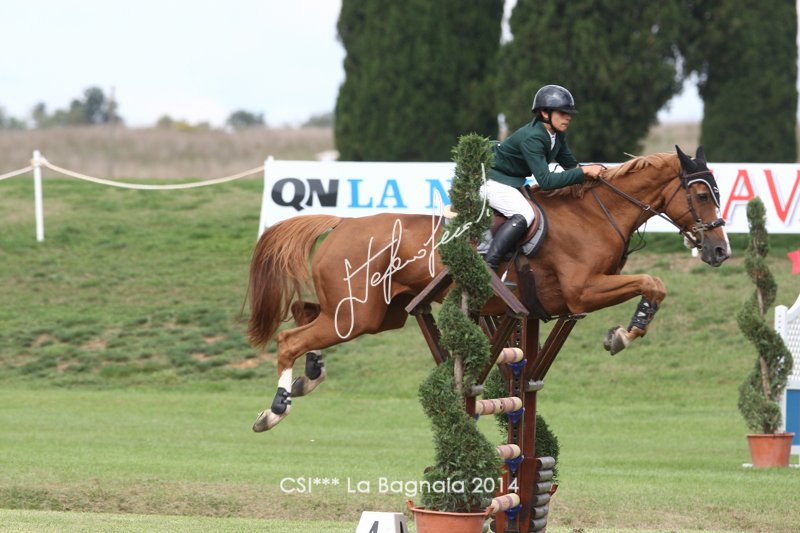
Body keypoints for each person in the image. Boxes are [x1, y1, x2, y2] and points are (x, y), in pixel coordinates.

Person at [482, 84, 605, 270]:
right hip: (492, 181)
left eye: (569, 113)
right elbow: (546, 181)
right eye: (562, 113)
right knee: (525, 214)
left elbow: (572, 166)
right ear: (544, 113)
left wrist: (596, 172)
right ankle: (490, 265)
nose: (568, 117)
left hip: (509, 182)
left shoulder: (557, 135)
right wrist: (584, 172)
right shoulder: (533, 137)